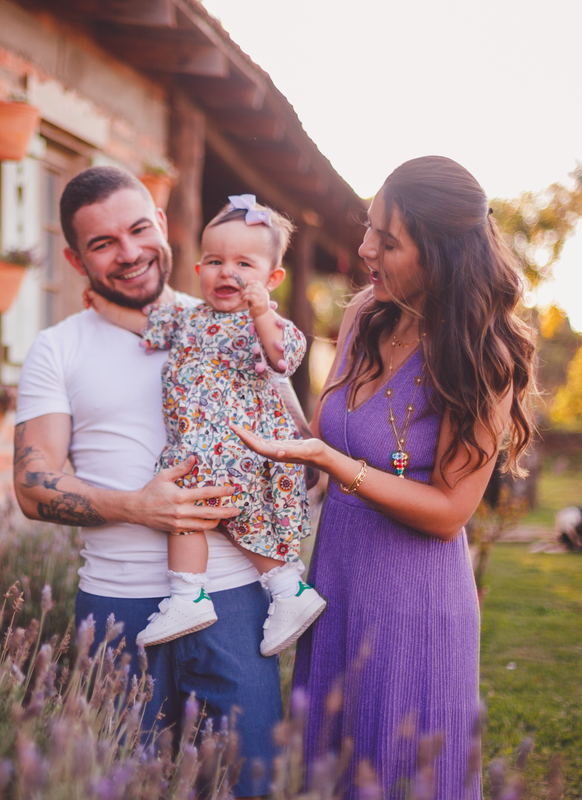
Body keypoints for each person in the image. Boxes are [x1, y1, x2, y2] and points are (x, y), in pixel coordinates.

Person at [231, 156, 536, 798]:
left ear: (442, 255)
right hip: (336, 582)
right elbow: (324, 435)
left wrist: (334, 466)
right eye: (369, 228)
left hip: (412, 602)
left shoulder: (483, 356)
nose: (365, 248)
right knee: (330, 773)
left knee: (397, 773)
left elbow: (452, 508)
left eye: (388, 240)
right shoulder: (366, 314)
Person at [13, 166, 303, 797]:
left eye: (140, 229)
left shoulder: (233, 326)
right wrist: (139, 506)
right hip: (116, 608)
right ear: (73, 257)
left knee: (247, 783)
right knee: (117, 785)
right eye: (102, 243)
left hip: (233, 603)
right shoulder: (57, 349)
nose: (130, 253)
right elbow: (34, 485)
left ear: (165, 227)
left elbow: (299, 440)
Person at [86, 195, 327, 655]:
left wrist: (260, 313)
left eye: (243, 263)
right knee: (203, 513)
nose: (227, 272)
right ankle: (281, 590)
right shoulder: (190, 318)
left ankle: (192, 594)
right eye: (214, 261)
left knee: (193, 505)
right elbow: (144, 326)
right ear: (198, 269)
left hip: (237, 448)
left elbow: (282, 359)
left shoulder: (266, 325)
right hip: (202, 449)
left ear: (272, 279)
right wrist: (103, 306)